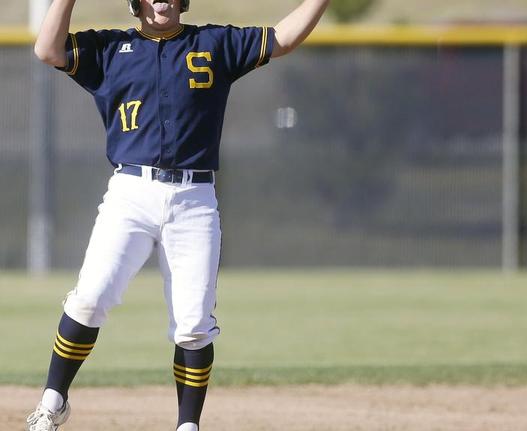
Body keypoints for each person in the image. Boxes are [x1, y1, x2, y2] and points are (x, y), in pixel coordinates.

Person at [26, 0, 329, 429]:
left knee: (193, 325)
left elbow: (282, 39)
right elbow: (47, 51)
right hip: (130, 193)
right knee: (89, 299)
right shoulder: (111, 49)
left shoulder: (214, 43)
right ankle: (52, 405)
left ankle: (188, 426)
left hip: (194, 199)